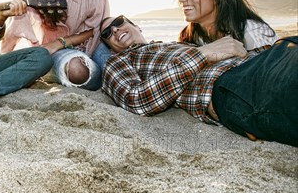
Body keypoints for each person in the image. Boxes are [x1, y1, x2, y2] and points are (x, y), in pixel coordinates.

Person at [99, 15, 297, 147]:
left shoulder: (175, 44)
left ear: (136, 25)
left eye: (118, 22)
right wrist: (202, 54)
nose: (115, 30)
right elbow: (137, 100)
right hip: (230, 86)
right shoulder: (118, 62)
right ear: (109, 46)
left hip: (262, 61)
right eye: (107, 33)